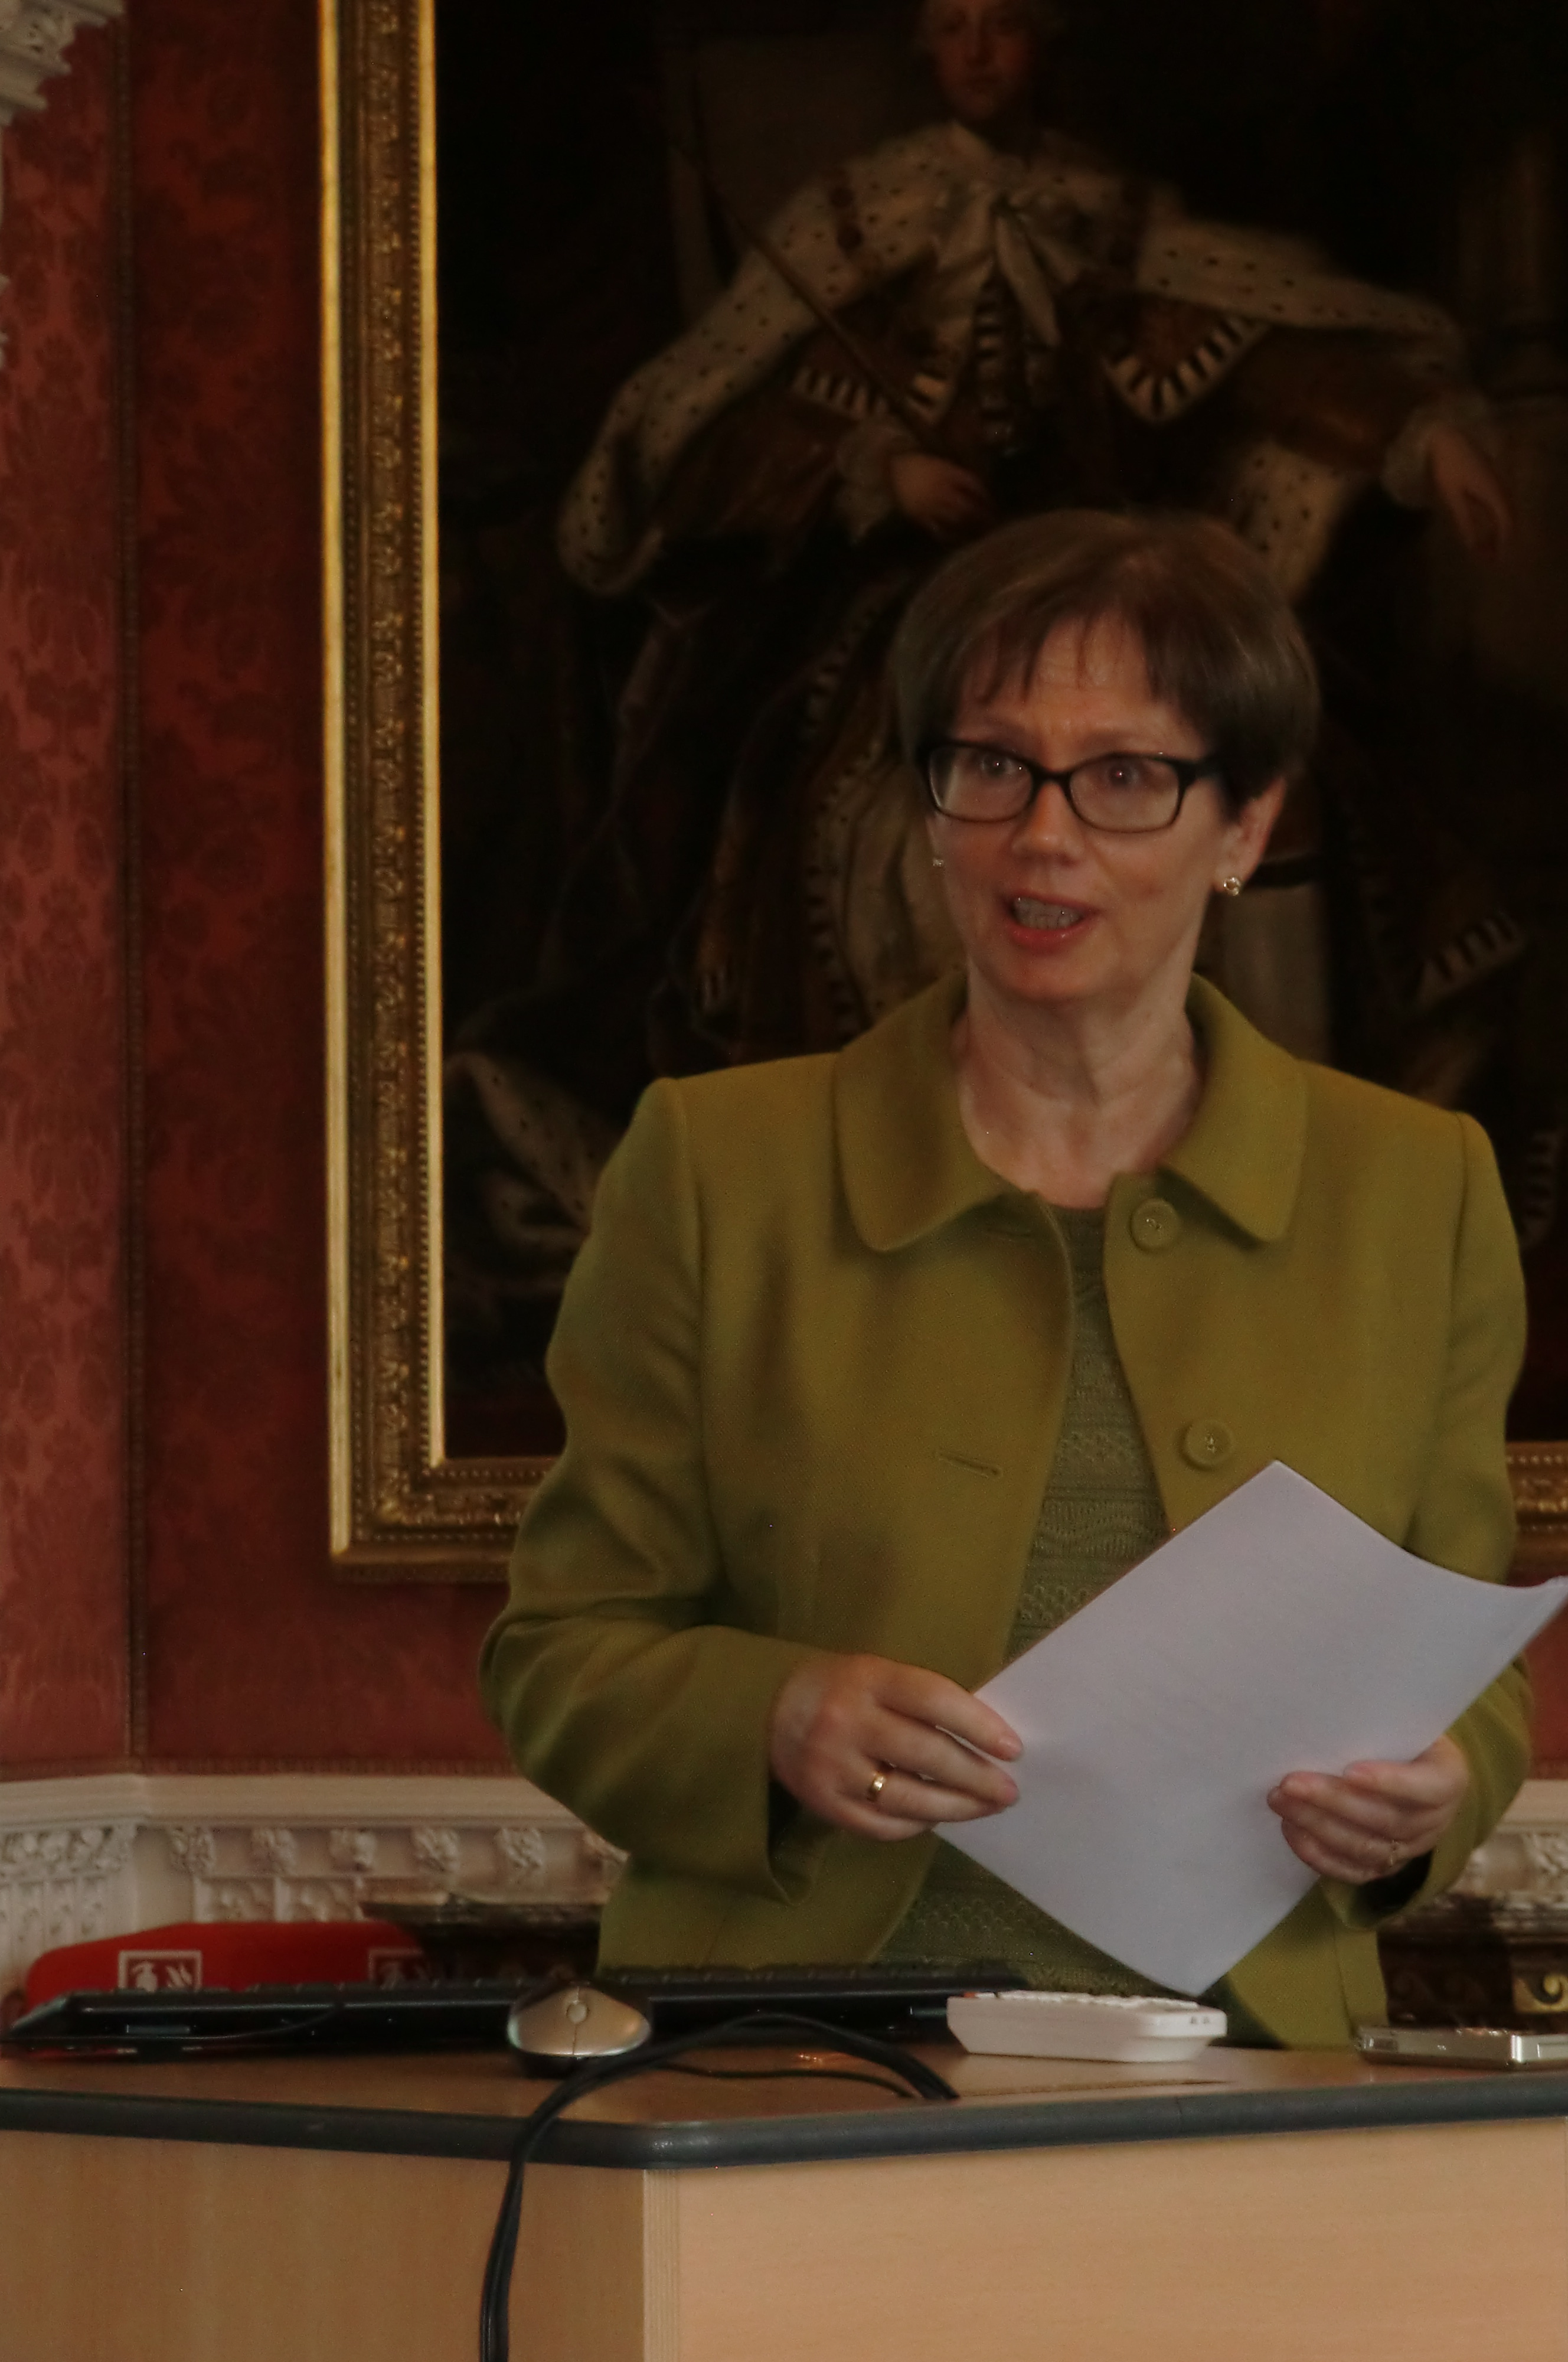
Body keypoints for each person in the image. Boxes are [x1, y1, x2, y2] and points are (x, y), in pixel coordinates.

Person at [479, 509, 1530, 2049]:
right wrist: (772, 1715)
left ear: (1243, 827)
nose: (1045, 835)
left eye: (1125, 778)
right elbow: (562, 1656)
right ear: (931, 806)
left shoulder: (1416, 1193)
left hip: (1248, 2077)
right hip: (791, 2059)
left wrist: (1435, 1792)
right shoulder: (715, 1169)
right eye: (992, 765)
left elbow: (1461, 1665)